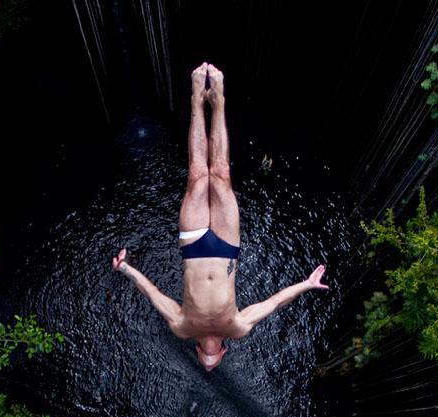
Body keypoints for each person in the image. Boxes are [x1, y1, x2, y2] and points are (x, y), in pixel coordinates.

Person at [112, 63, 329, 371]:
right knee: (222, 174)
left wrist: (126, 270)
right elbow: (273, 303)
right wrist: (306, 284)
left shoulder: (183, 327)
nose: (209, 360)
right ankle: (220, 102)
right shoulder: (236, 327)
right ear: (224, 352)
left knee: (198, 174)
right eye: (214, 362)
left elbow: (153, 294)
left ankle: (197, 100)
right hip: (228, 246)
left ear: (198, 352)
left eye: (205, 362)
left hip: (194, 248)